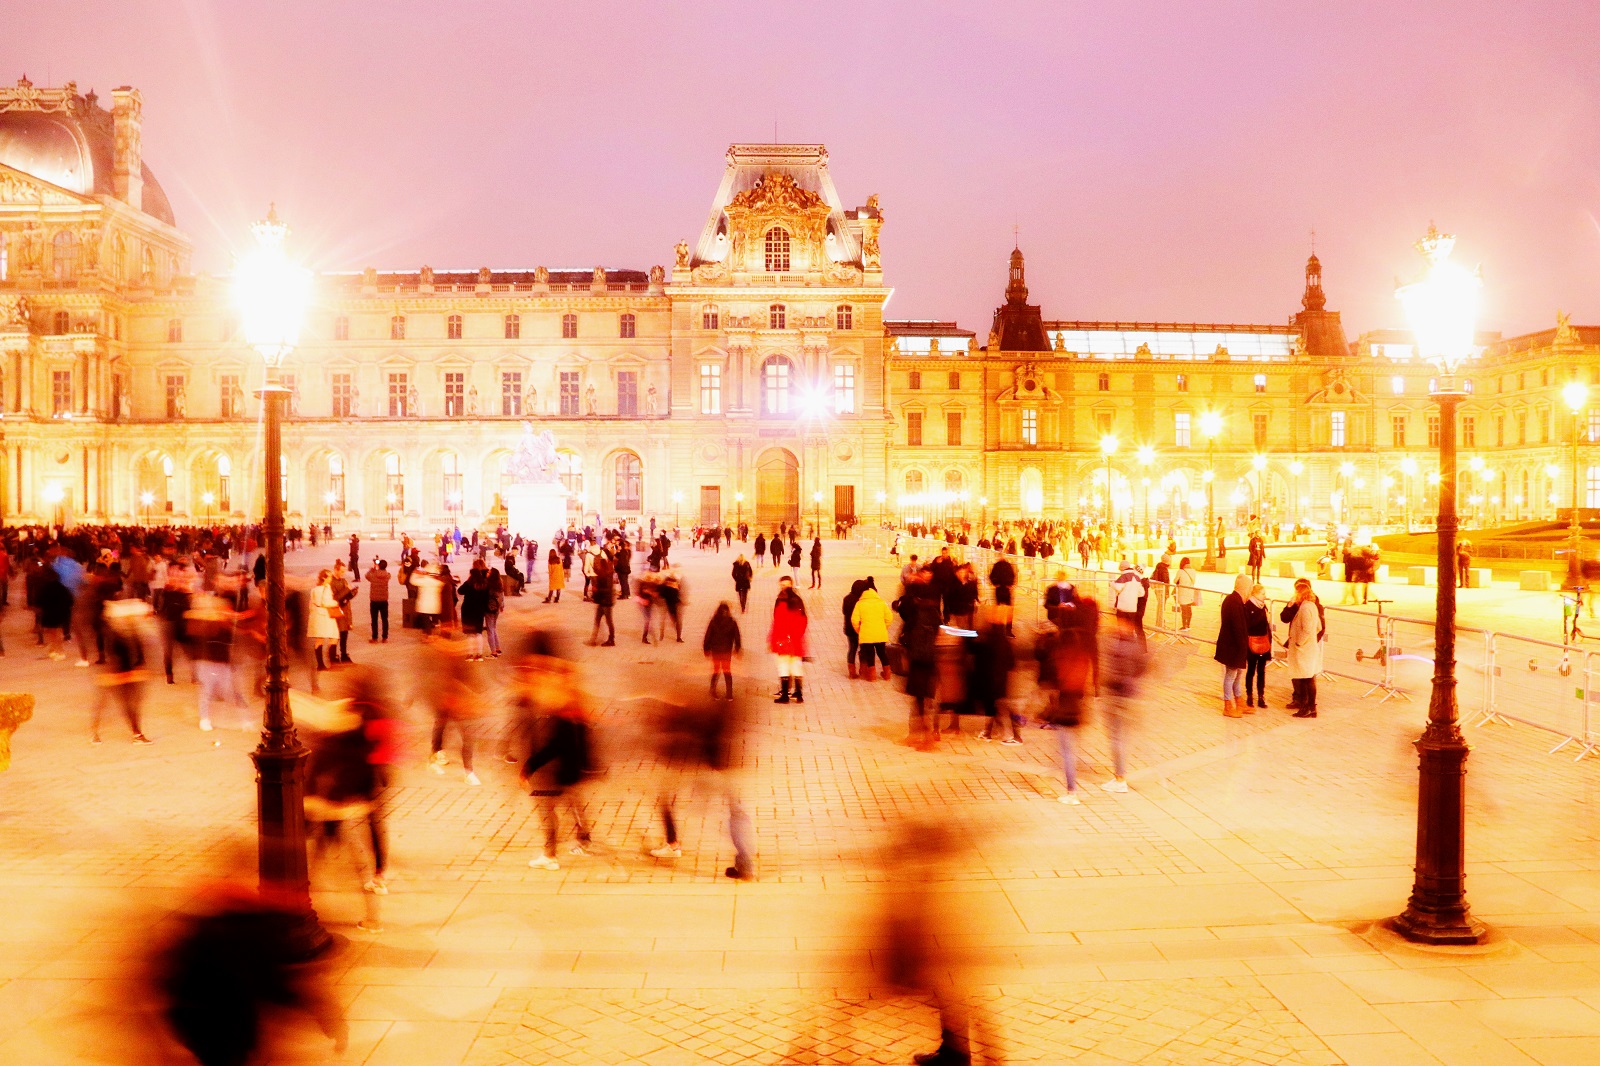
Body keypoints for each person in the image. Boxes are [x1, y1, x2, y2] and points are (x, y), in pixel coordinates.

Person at [521, 658, 593, 870]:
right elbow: (584, 738)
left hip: (558, 772)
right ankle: (583, 837)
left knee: (547, 811)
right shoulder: (574, 704)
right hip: (569, 770)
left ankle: (550, 855)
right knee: (571, 804)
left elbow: (555, 746)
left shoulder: (563, 708)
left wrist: (529, 767)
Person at [1099, 611, 1148, 793]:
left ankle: (1120, 778)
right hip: (1128, 695)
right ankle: (1119, 774)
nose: (1116, 625)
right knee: (1120, 737)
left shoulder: (1119, 645)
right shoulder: (1135, 644)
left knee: (1116, 738)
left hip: (1118, 696)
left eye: (1119, 622)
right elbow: (1142, 667)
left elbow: (1113, 671)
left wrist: (1111, 682)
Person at [95, 598, 153, 744]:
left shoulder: (131, 631)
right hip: (117, 671)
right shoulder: (115, 632)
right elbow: (114, 654)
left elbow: (139, 651)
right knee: (109, 702)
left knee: (127, 702)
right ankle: (95, 730)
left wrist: (139, 667)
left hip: (128, 672)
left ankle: (136, 733)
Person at [1282, 578, 1326, 717]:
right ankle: (1311, 707)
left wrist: (1299, 642)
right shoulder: (1312, 605)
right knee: (1309, 677)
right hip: (1310, 647)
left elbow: (1307, 629)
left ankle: (1307, 707)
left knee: (1306, 678)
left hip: (1304, 649)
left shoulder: (1305, 607)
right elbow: (1318, 626)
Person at [1214, 572, 1252, 717]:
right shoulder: (1233, 601)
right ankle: (1228, 705)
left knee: (1237, 674)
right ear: (1245, 588)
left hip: (1237, 646)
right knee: (1231, 675)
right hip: (1233, 647)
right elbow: (1237, 627)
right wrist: (1242, 647)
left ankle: (1239, 701)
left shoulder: (1237, 601)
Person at [769, 577, 808, 703]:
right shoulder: (798, 601)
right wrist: (798, 636)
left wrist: (773, 640)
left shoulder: (781, 603)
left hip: (783, 641)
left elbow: (777, 623)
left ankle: (785, 695)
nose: (783, 587)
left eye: (784, 585)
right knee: (796, 667)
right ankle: (798, 694)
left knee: (783, 666)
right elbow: (803, 620)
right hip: (796, 641)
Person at [851, 576, 893, 682]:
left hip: (866, 634)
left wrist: (859, 630)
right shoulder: (881, 602)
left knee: (870, 655)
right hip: (880, 633)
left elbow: (854, 620)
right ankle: (887, 674)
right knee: (882, 653)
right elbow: (889, 618)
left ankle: (872, 676)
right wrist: (884, 627)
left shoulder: (860, 603)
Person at [702, 601, 742, 699]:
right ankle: (729, 694)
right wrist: (737, 648)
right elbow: (737, 636)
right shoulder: (732, 622)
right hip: (726, 651)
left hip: (715, 650)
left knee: (716, 670)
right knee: (727, 672)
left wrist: (706, 648)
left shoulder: (713, 621)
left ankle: (713, 691)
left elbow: (708, 635)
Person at [1243, 582, 1272, 710]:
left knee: (1261, 671)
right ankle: (1249, 695)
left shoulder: (1263, 606)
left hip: (1263, 641)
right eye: (1263, 593)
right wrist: (1262, 616)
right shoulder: (1248, 606)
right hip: (1252, 641)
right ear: (1255, 594)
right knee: (1251, 670)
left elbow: (1266, 626)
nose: (1265, 596)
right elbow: (1249, 624)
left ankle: (1261, 696)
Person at [308, 569, 341, 672]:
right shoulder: (325, 589)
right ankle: (331, 662)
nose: (331, 579)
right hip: (325, 617)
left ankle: (321, 664)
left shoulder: (315, 589)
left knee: (320, 640)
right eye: (329, 577)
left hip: (317, 617)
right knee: (334, 636)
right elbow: (326, 602)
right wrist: (335, 603)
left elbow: (312, 604)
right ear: (324, 578)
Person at [589, 550, 616, 646]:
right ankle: (593, 639)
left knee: (609, 622)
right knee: (597, 621)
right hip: (602, 602)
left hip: (606, 603)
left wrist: (597, 590)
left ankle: (611, 639)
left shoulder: (607, 576)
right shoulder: (604, 574)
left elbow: (608, 590)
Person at [842, 578, 867, 678]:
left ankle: (852, 672)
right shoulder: (860, 600)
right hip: (860, 628)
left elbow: (844, 612)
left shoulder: (846, 598)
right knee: (863, 649)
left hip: (849, 628)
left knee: (852, 649)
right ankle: (863, 670)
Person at [365, 559, 391, 642]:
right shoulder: (387, 575)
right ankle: (384, 637)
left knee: (374, 619)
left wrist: (372, 568)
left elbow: (366, 576)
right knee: (384, 619)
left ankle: (375, 637)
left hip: (374, 600)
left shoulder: (373, 575)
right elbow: (388, 574)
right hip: (384, 600)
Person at [1174, 556, 1198, 631]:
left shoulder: (1180, 571)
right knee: (1189, 608)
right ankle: (1188, 625)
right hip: (1190, 592)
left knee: (1184, 609)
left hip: (1183, 592)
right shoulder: (1193, 571)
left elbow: (1175, 581)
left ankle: (1184, 625)